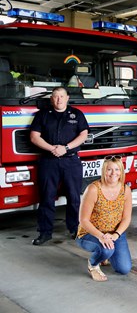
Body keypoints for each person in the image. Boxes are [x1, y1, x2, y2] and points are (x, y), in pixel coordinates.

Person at [30, 87, 89, 245]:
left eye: (61, 96)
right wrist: (53, 149)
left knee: (74, 197)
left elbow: (84, 134)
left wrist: (66, 148)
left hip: (71, 161)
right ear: (51, 99)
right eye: (55, 97)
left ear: (67, 98)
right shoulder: (42, 115)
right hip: (49, 161)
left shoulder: (77, 114)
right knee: (46, 197)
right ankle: (45, 232)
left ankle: (75, 229)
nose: (59, 99)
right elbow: (34, 137)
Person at [76, 156, 132, 281]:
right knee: (106, 250)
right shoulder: (93, 189)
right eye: (109, 170)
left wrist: (116, 235)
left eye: (117, 169)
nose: (113, 173)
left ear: (121, 171)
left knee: (124, 269)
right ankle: (93, 265)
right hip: (91, 234)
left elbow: (126, 218)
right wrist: (101, 236)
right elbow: (83, 220)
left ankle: (106, 254)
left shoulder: (125, 190)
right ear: (103, 171)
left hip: (114, 234)